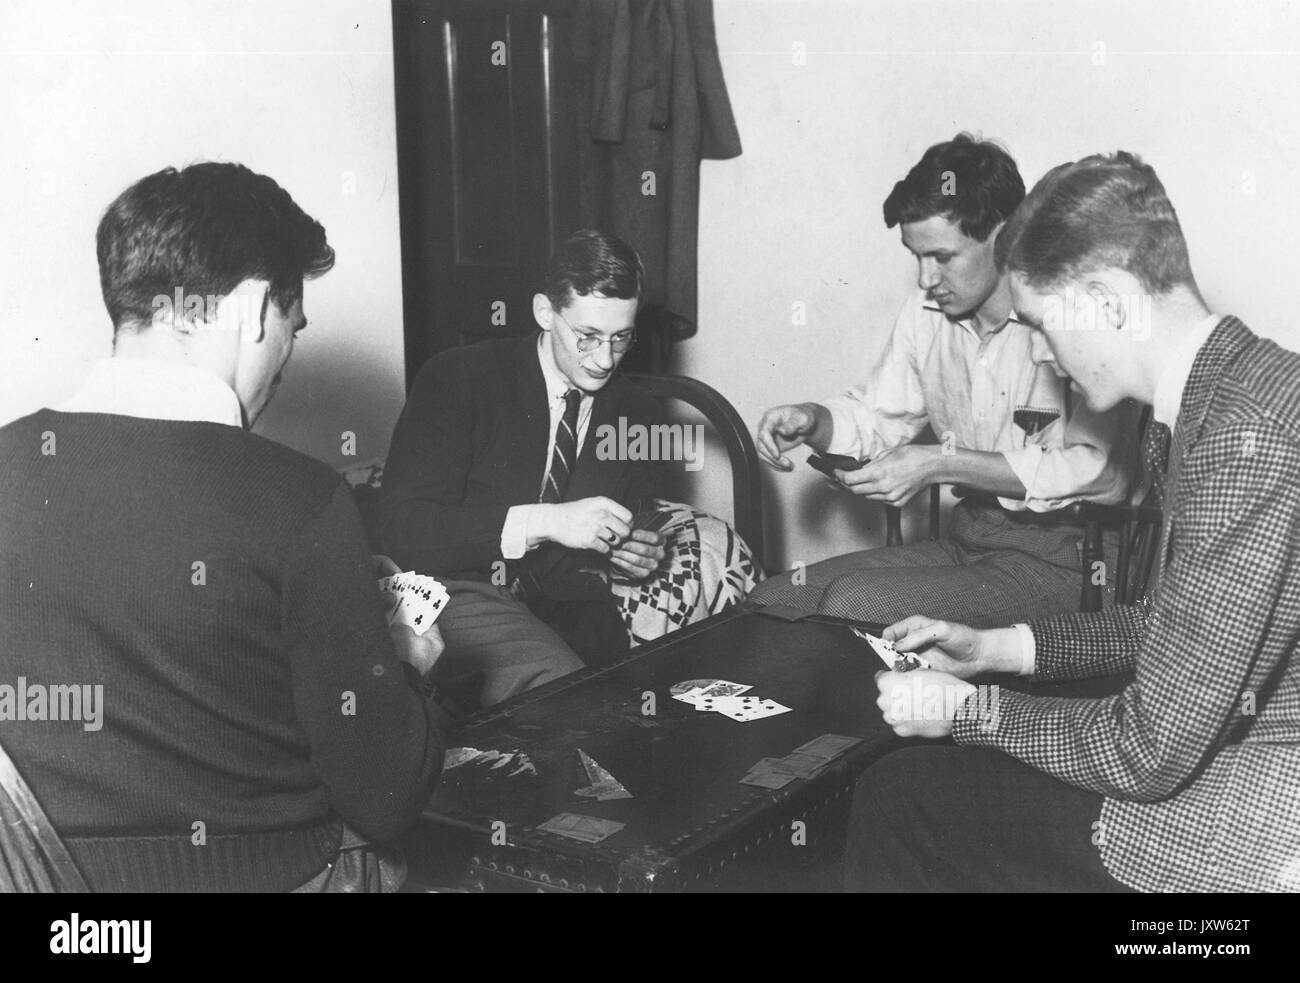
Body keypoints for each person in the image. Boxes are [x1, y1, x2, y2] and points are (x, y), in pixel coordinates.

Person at [848, 151, 1300, 893]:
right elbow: (1170, 626)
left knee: (899, 795)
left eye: (1042, 325)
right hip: (1224, 753)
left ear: (1110, 303)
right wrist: (997, 648)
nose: (1043, 357)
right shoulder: (1229, 393)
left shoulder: (1241, 439)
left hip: (1254, 813)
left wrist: (970, 712)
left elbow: (1150, 750)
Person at [0, 162, 449, 892]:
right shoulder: (302, 500)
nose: (282, 365)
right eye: (289, 331)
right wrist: (401, 663)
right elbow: (387, 795)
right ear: (249, 308)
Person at [750, 134, 1139, 627]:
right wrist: (813, 420)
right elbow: (880, 416)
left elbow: (1103, 473)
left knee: (852, 604)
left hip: (1072, 565)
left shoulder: (1069, 321)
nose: (925, 279)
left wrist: (939, 462)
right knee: (774, 598)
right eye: (917, 257)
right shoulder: (926, 312)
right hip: (971, 540)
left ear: (1005, 237)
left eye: (942, 257)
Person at [381, 230, 698, 675]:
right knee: (554, 675)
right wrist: (547, 521)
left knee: (628, 689)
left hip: (563, 598)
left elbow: (631, 518)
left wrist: (631, 554)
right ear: (545, 312)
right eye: (587, 336)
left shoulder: (636, 411)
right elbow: (404, 529)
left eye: (621, 338)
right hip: (456, 582)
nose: (605, 359)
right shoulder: (457, 378)